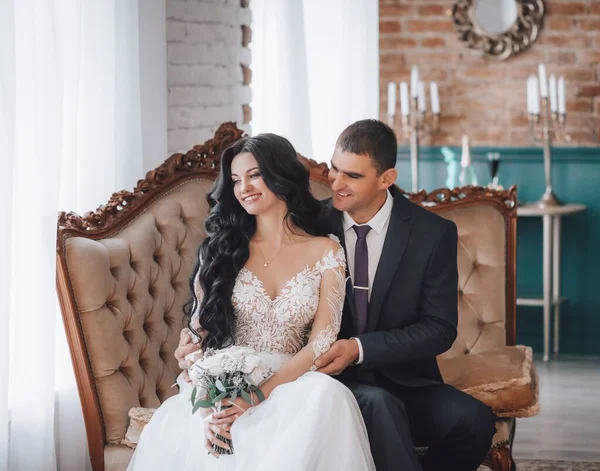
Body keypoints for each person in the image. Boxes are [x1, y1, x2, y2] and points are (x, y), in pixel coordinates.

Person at [128, 134, 375, 470]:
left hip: (291, 384)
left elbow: (319, 344)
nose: (243, 187)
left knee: (330, 397)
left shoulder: (327, 251)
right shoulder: (219, 253)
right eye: (235, 180)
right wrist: (211, 408)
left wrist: (256, 397)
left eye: (254, 175)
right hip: (224, 390)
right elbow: (200, 346)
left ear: (281, 176)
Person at [313, 119, 497, 471]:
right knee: (379, 405)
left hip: (406, 381)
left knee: (474, 422)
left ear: (386, 179)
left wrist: (360, 348)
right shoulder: (311, 223)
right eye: (334, 169)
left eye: (352, 176)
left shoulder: (433, 233)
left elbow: (439, 328)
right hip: (330, 383)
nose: (335, 183)